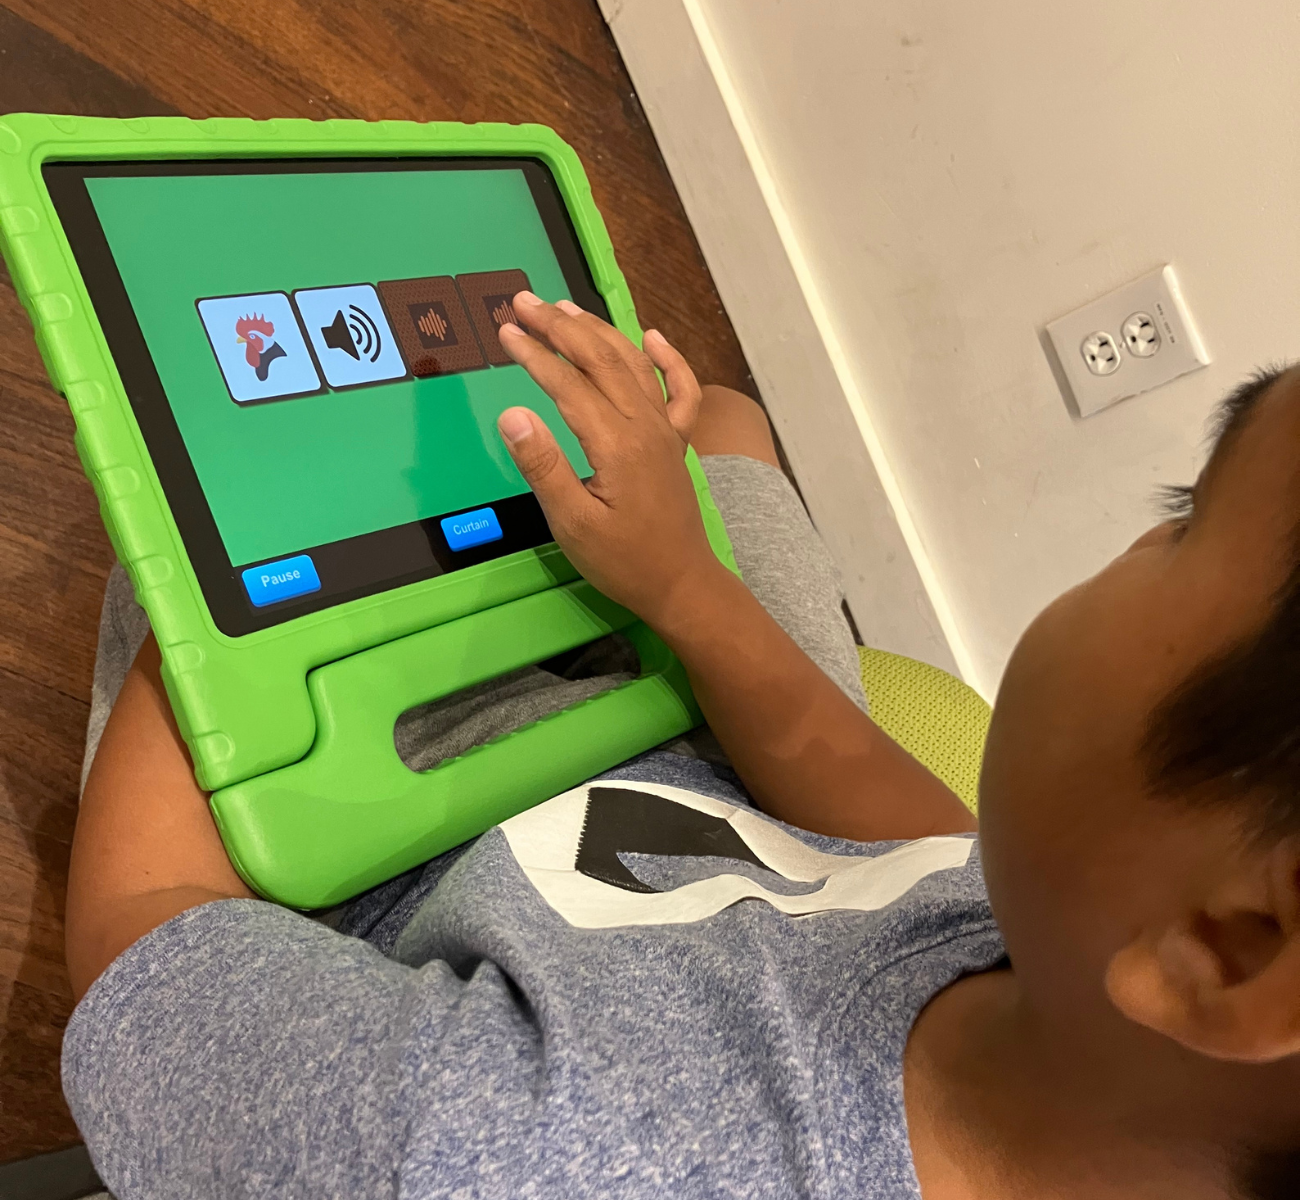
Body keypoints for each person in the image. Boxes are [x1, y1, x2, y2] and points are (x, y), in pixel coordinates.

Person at [61, 292, 1299, 1199]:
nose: (1145, 537)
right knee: (723, 424)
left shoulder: (501, 1157)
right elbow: (923, 850)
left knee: (194, 515)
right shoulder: (1079, 970)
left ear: (1240, 946)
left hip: (443, 828)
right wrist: (684, 584)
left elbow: (144, 937)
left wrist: (220, 589)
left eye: (1185, 515)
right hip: (750, 791)